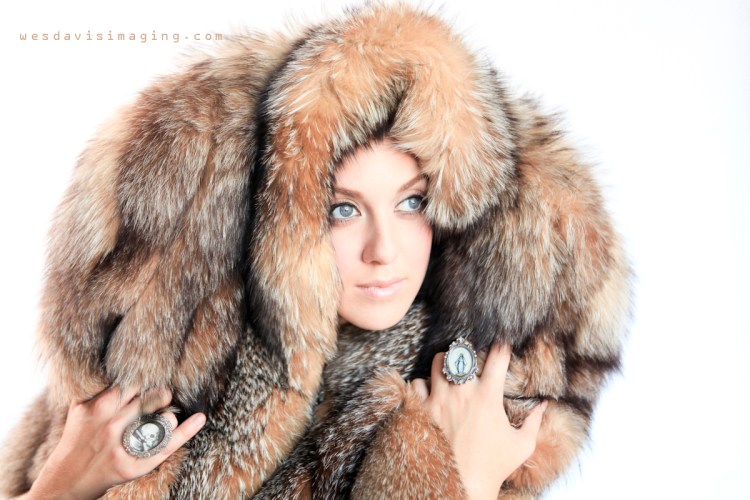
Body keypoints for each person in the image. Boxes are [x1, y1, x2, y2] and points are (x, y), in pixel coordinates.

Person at [1, 3, 629, 499]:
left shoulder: (476, 412)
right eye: (342, 209)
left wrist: (465, 476)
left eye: (412, 202)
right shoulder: (161, 391)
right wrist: (60, 485)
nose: (384, 251)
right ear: (281, 225)